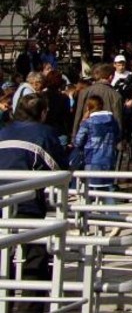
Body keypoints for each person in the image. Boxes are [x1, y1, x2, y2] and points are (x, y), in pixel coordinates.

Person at [0, 94, 69, 313]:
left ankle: (4, 302)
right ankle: (32, 306)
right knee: (35, 255)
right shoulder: (45, 134)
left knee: (3, 255)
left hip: (2, 202)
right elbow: (61, 171)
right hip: (27, 205)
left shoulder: (3, 132)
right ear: (42, 113)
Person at [75, 95, 120, 206]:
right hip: (109, 158)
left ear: (88, 107)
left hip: (91, 158)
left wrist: (83, 121)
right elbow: (118, 136)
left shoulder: (88, 123)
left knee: (88, 192)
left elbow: (78, 141)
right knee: (107, 189)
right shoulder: (112, 121)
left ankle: (88, 219)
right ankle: (111, 216)